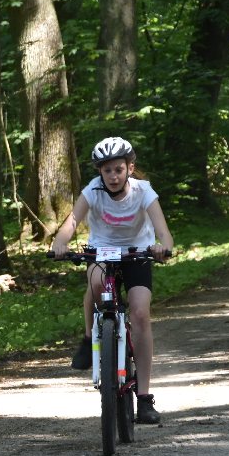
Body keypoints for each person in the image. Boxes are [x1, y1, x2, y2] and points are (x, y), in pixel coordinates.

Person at [51, 136, 174, 424]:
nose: (113, 176)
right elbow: (71, 222)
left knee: (140, 313)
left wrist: (163, 247)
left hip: (137, 253)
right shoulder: (92, 191)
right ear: (100, 172)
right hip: (102, 251)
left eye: (118, 169)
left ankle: (144, 398)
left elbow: (162, 230)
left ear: (130, 167)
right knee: (95, 283)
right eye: (107, 170)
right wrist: (60, 243)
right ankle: (88, 338)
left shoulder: (144, 191)